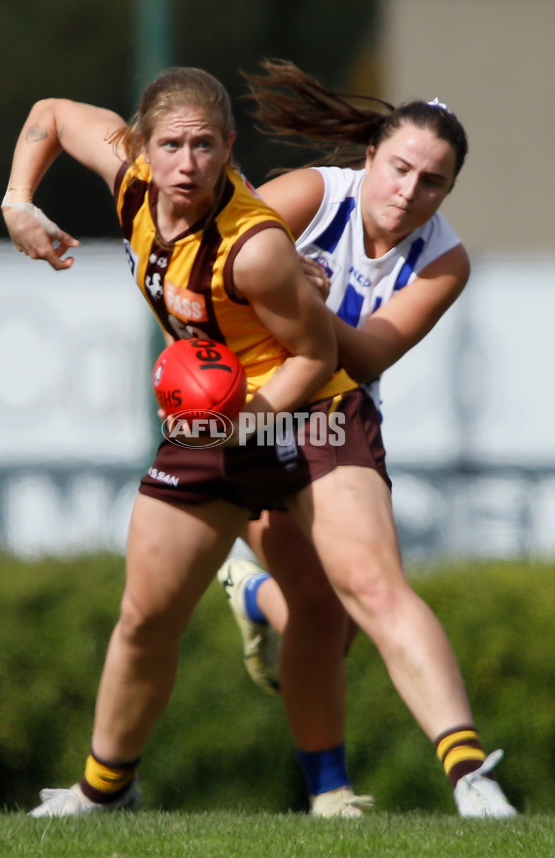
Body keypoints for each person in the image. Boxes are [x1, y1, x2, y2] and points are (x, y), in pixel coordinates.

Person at [1, 66, 370, 818]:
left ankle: (334, 795)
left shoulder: (256, 245)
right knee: (146, 616)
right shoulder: (133, 177)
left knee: (338, 612)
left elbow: (317, 358)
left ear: (229, 148)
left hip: (302, 412)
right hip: (213, 411)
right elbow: (51, 108)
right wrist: (18, 202)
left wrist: (246, 420)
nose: (187, 163)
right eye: (171, 144)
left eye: (206, 145)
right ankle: (105, 791)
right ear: (142, 145)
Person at [215, 60, 517, 818]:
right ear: (371, 157)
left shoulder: (444, 261)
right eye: (400, 168)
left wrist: (307, 309)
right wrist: (280, 283)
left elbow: (371, 352)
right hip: (247, 407)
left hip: (334, 415)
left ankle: (456, 778)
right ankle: (343, 785)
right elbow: (217, 263)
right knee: (326, 613)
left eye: (432, 182)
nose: (408, 193)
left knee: (343, 612)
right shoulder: (317, 194)